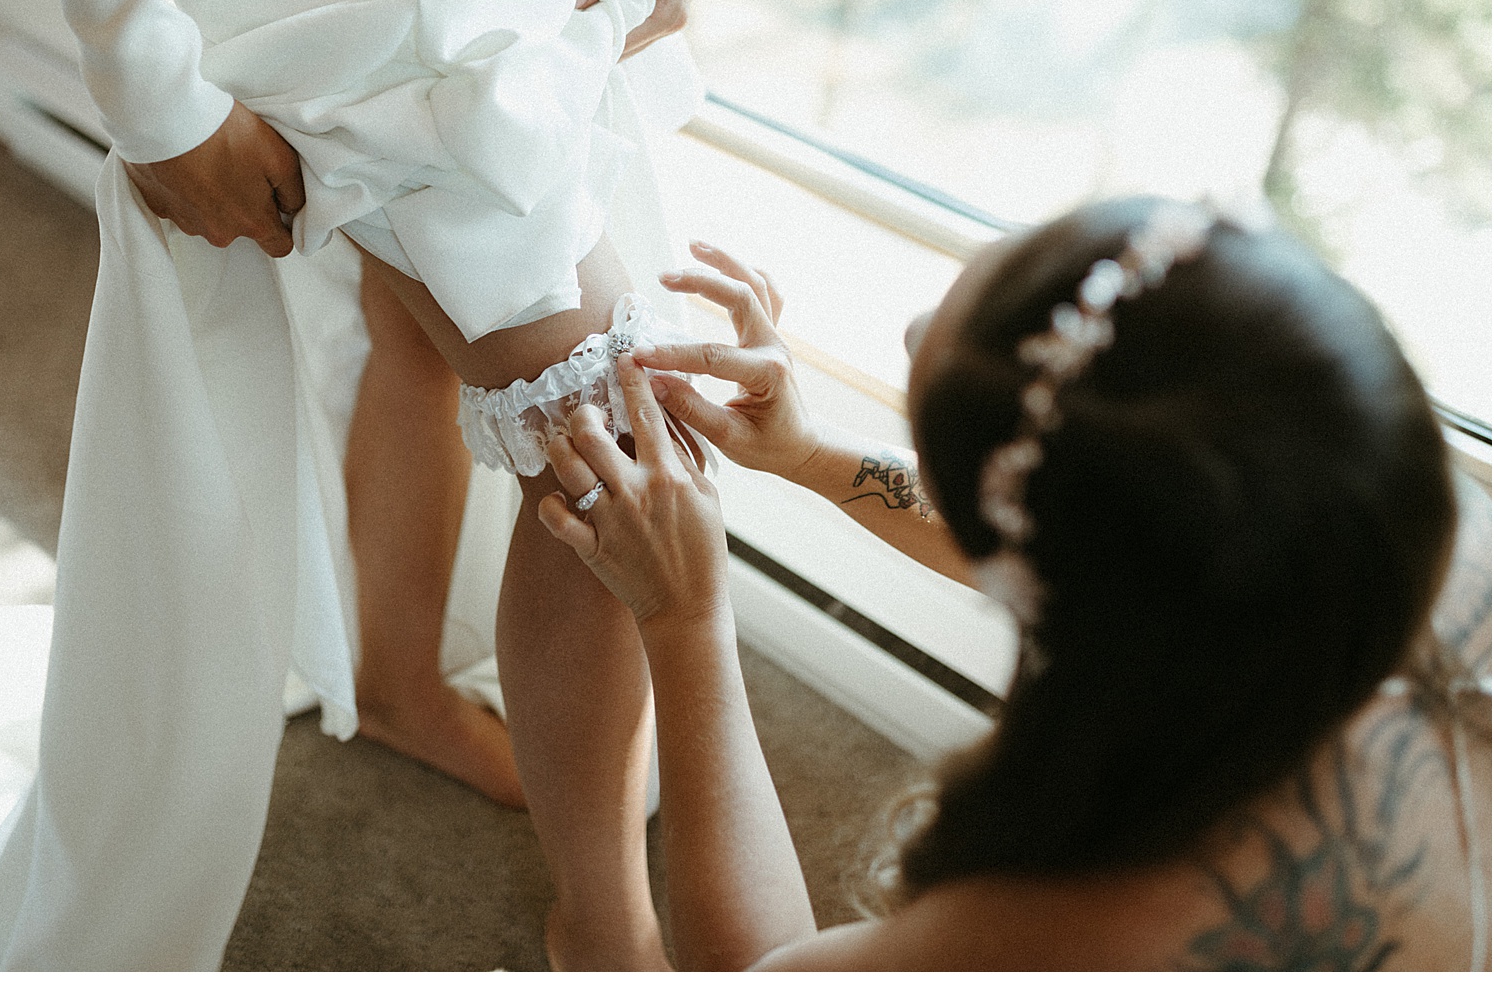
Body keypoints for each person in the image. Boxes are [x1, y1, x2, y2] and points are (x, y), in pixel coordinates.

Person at [0, 0, 723, 969]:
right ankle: (607, 927)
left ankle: (401, 678)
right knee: (611, 434)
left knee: (418, 332)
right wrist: (150, 86)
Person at [540, 199, 1489, 969]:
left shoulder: (1065, 934)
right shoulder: (1402, 536)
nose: (913, 327)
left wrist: (685, 616)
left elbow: (766, 967)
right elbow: (1128, 561)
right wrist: (815, 456)